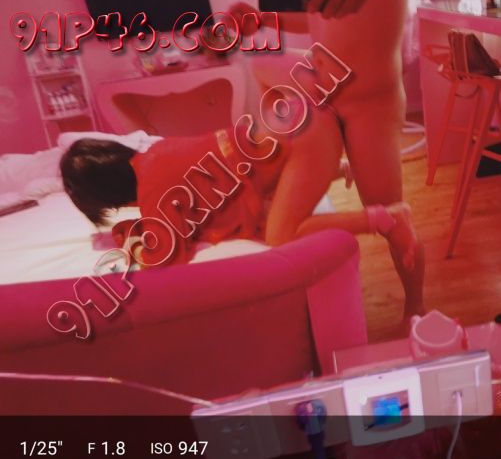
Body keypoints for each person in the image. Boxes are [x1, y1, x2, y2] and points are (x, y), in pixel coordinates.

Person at [60, 99, 422, 314]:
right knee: (267, 191)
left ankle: (386, 219)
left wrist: (127, 239)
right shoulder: (156, 153)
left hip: (307, 139)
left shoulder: (153, 192)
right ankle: (332, 168)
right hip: (301, 122)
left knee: (281, 237)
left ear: (109, 198)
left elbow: (161, 257)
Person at [232, 0, 426, 324]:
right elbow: (317, 20)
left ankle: (416, 304)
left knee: (389, 214)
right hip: (320, 82)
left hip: (369, 108)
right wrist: (262, 20)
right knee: (260, 65)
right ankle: (309, 158)